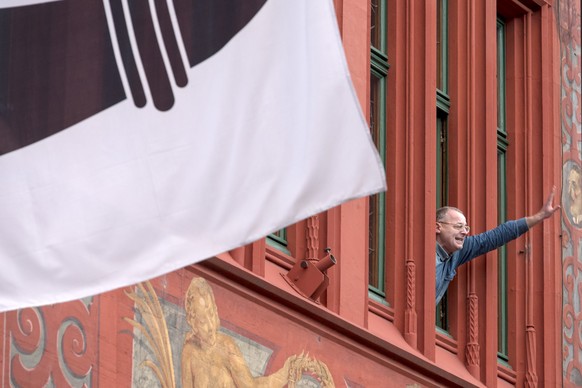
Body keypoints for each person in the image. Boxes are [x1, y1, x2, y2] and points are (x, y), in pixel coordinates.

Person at [435, 187, 560, 304]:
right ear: (437, 227)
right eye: (458, 226)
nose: (464, 232)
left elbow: (497, 236)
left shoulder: (457, 253)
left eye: (466, 227)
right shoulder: (422, 251)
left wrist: (540, 216)